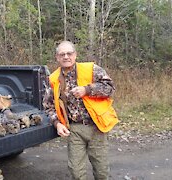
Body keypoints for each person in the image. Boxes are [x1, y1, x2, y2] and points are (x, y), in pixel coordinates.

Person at [43, 41, 119, 180]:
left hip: (96, 127)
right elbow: (48, 105)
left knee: (101, 171)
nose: (66, 57)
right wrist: (57, 123)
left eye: (69, 53)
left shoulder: (91, 69)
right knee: (76, 172)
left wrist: (87, 90)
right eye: (62, 54)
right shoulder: (53, 79)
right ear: (57, 57)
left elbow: (110, 88)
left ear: (75, 55)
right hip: (74, 129)